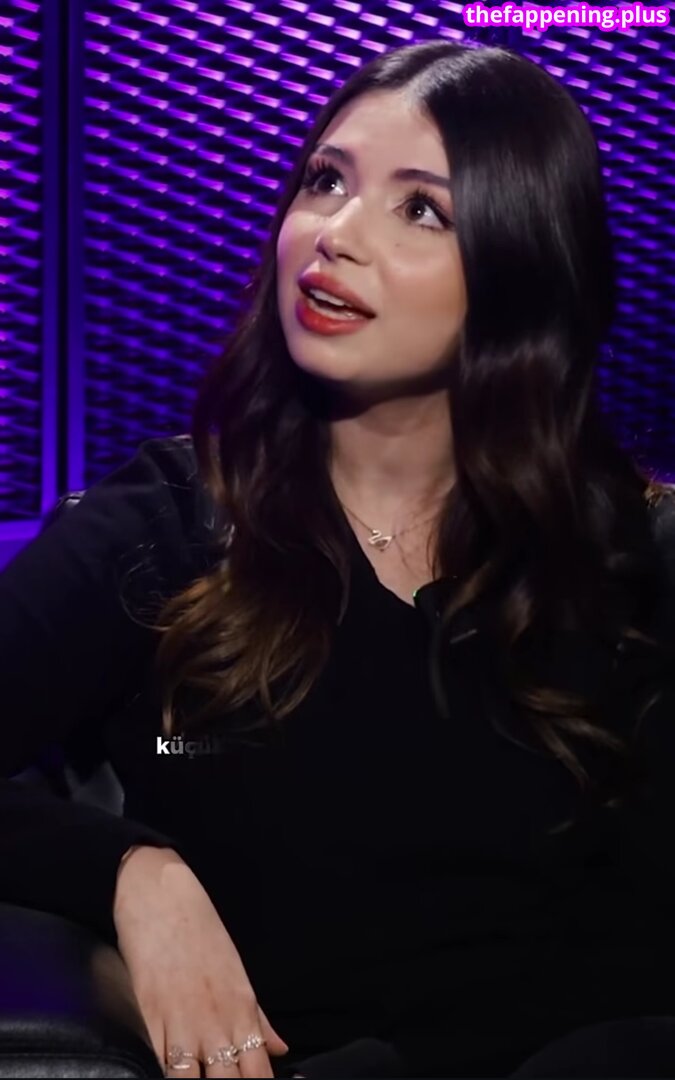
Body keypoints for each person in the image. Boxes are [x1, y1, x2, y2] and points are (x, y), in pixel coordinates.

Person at [1, 38, 675, 1080]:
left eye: (421, 210)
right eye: (325, 181)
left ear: (521, 269)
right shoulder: (172, 528)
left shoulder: (631, 559)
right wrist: (130, 871)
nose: (335, 234)